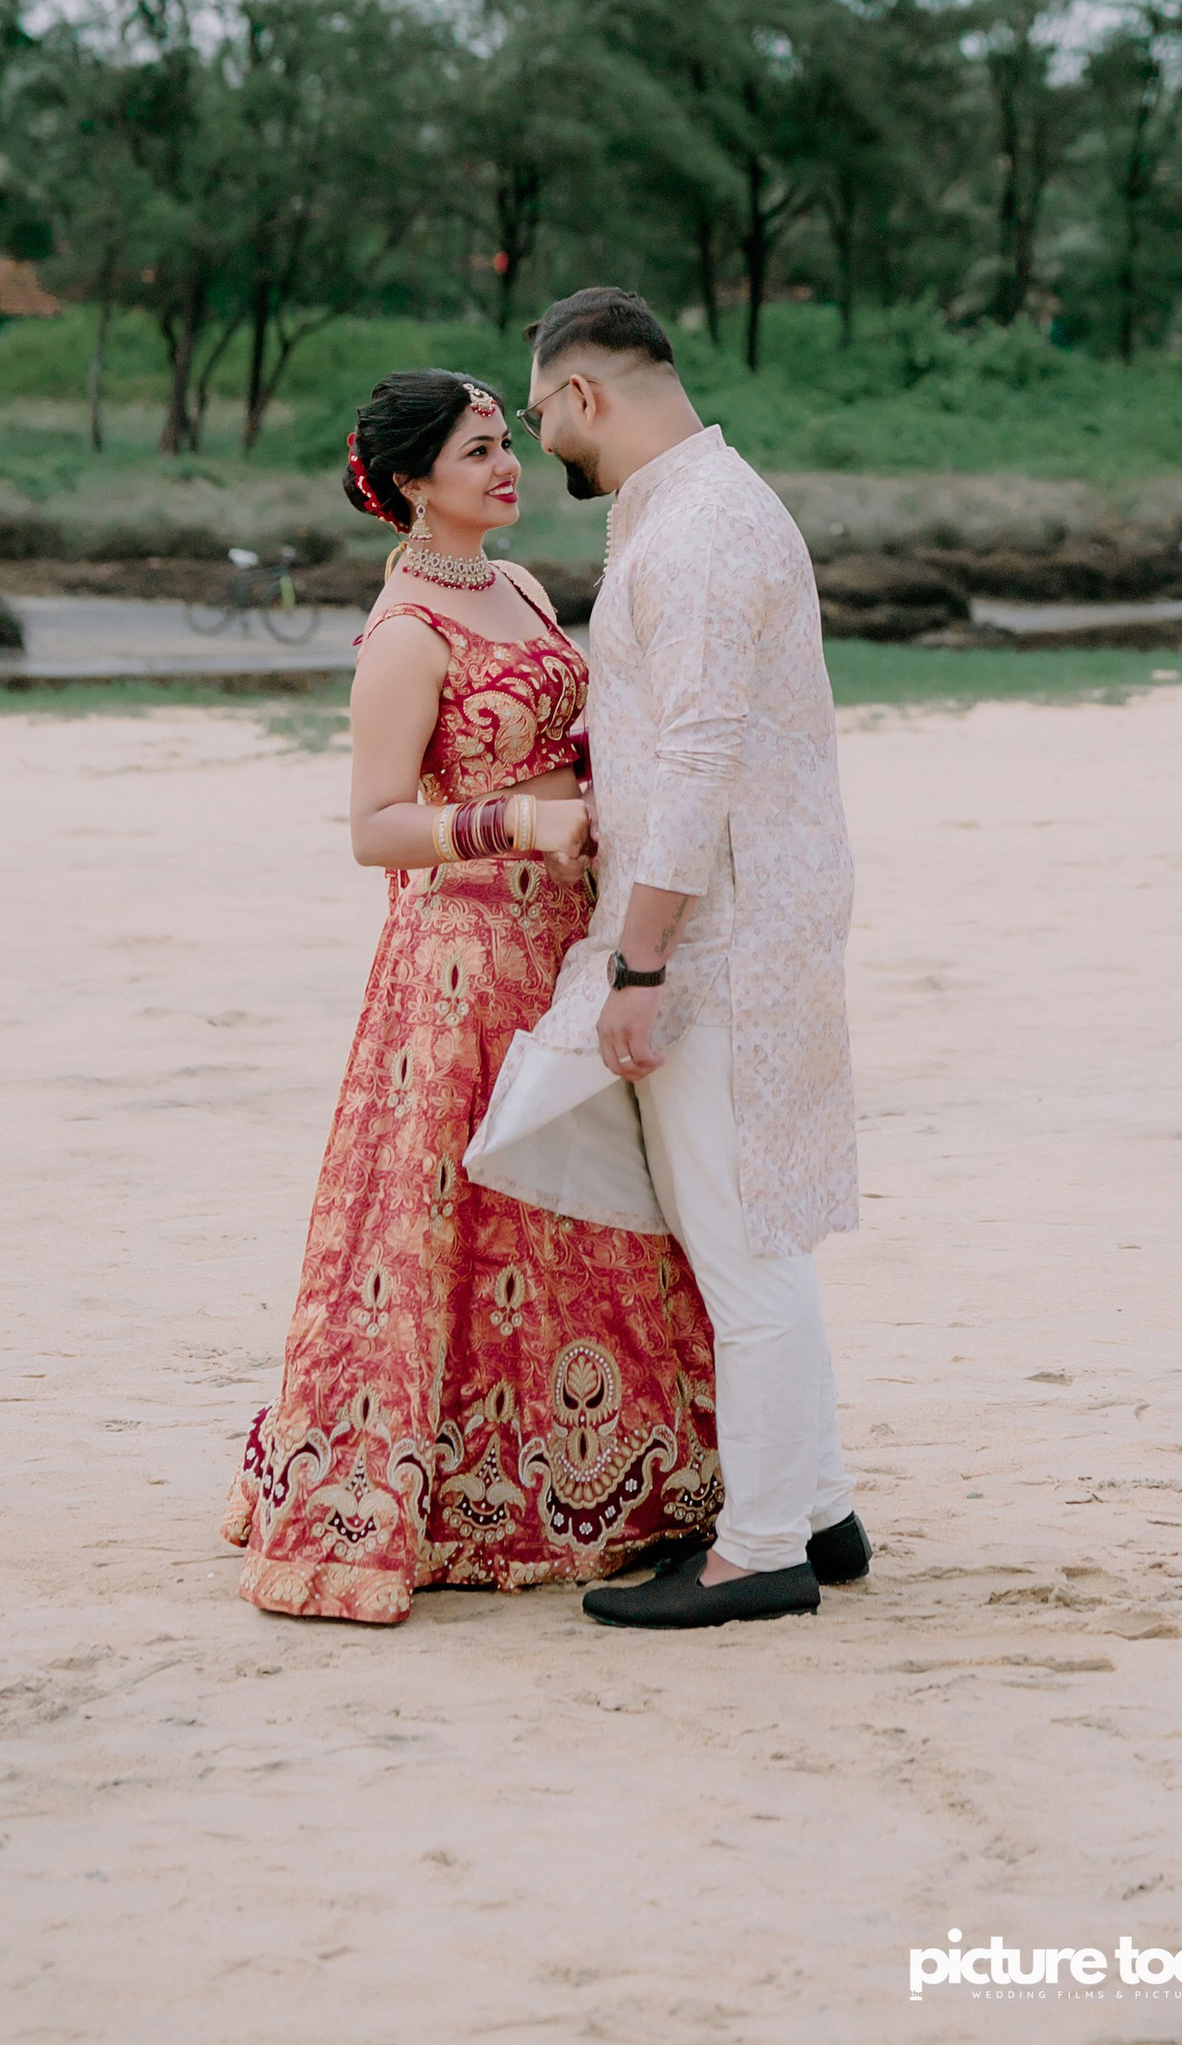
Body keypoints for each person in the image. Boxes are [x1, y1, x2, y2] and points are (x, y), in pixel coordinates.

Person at [221, 369, 719, 1623]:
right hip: (460, 963)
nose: (508, 467)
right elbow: (374, 827)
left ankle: (607, 1478)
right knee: (465, 1221)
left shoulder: (524, 586)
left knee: (592, 1206)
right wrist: (522, 823)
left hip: (562, 941)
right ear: (409, 483)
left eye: (506, 442)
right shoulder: (405, 632)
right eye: (478, 452)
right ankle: (448, 1495)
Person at [486, 284, 864, 1633]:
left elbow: (699, 762)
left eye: (540, 414)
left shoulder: (696, 529)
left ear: (585, 393)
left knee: (742, 1243)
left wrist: (638, 968)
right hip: (750, 918)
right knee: (750, 1225)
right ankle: (818, 1508)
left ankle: (760, 1549)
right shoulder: (700, 506)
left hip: (718, 938)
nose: (540, 443)